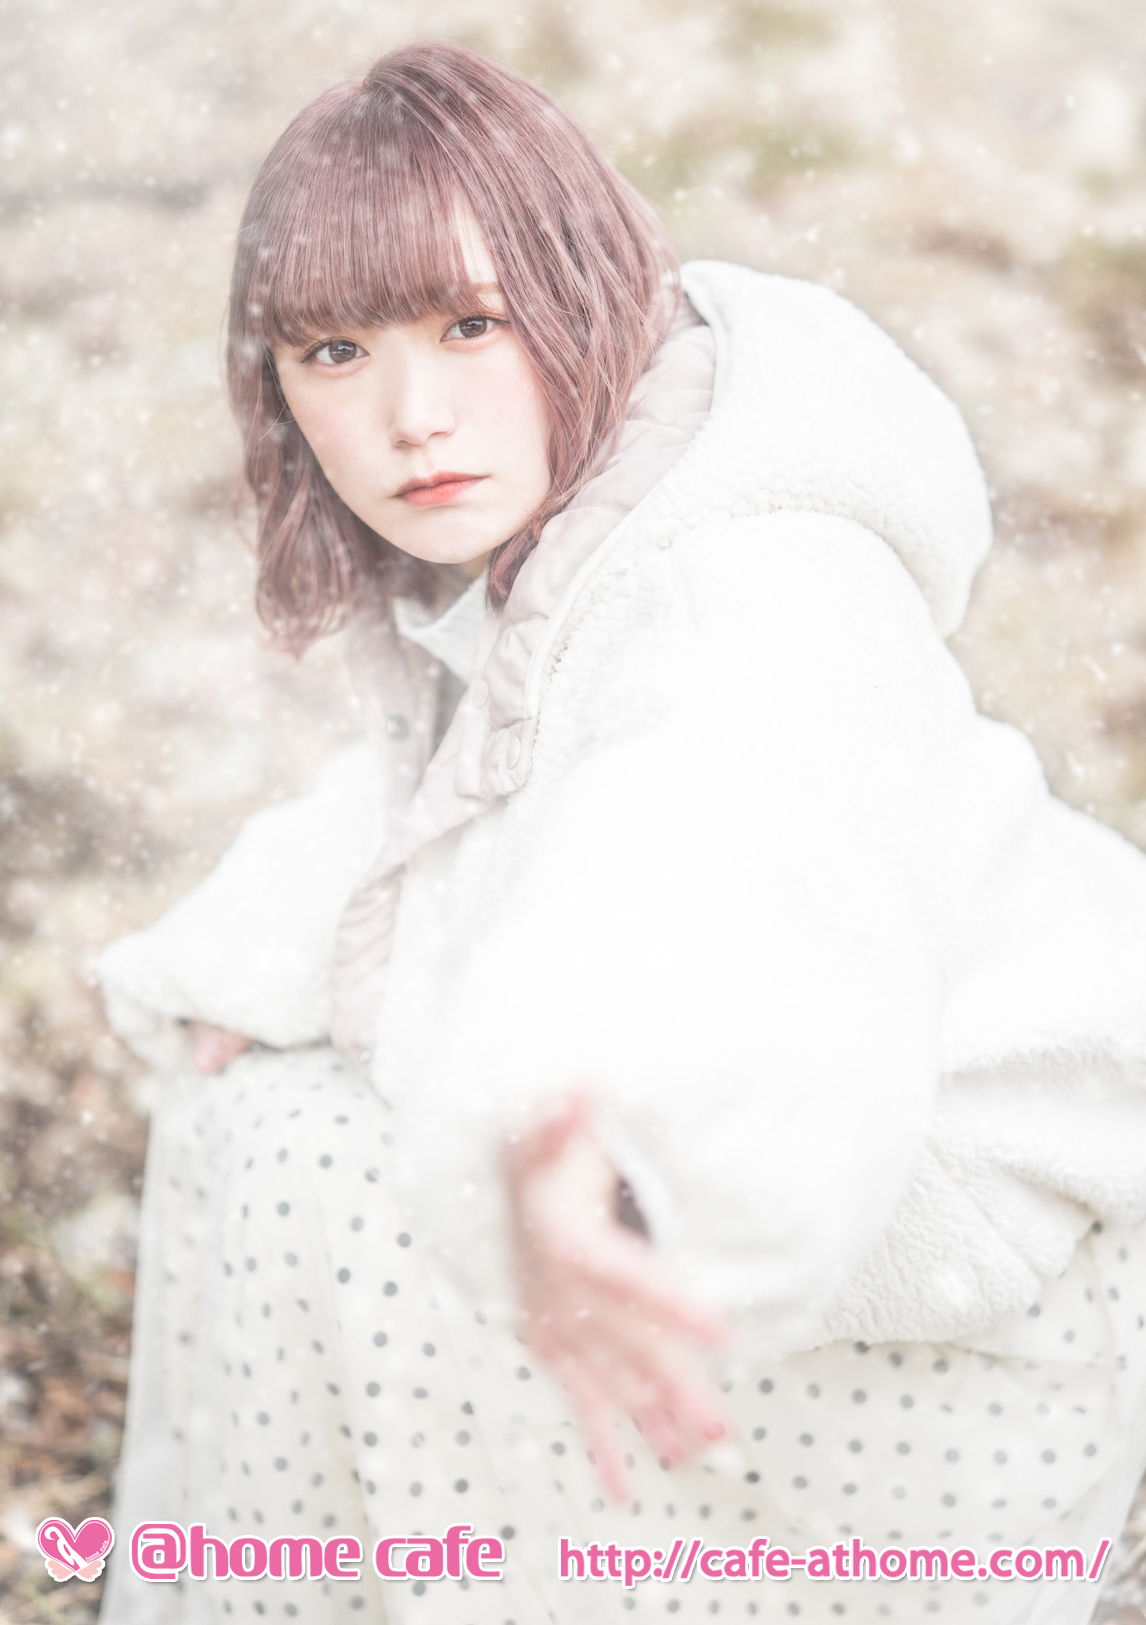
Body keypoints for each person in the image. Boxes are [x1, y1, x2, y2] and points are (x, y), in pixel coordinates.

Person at [97, 40, 1146, 1625]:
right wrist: (249, 961)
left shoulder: (747, 583)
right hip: (832, 1202)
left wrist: (596, 1115)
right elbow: (448, 793)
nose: (409, 415)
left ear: (582, 291)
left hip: (954, 1294)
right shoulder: (586, 518)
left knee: (291, 1158)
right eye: (335, 350)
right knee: (254, 1104)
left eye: (471, 324)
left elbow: (711, 849)